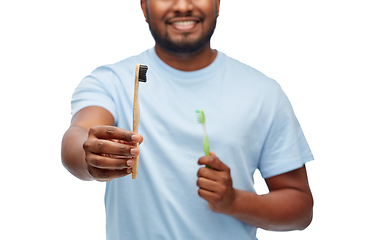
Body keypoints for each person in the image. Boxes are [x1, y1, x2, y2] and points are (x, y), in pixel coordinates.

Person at [61, 0, 314, 239]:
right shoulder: (110, 81)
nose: (182, 6)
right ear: (144, 6)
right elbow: (78, 134)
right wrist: (89, 155)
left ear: (217, 3)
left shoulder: (263, 92)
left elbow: (300, 209)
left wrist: (235, 201)